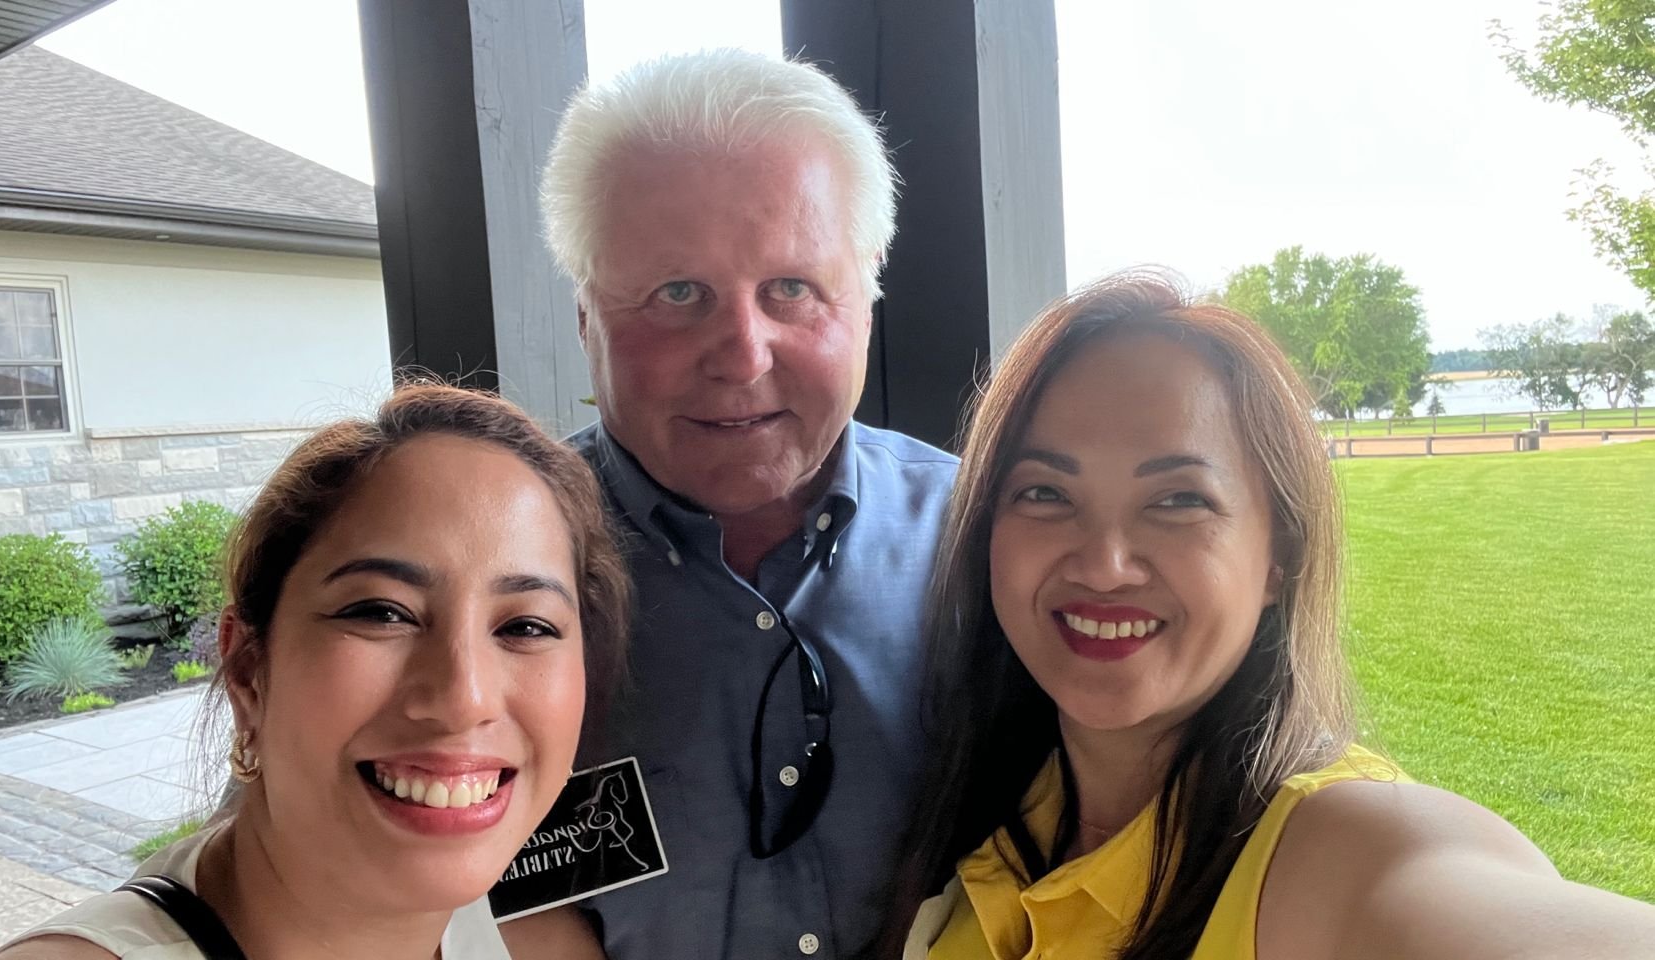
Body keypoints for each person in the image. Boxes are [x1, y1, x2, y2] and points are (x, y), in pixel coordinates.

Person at [892, 275, 1655, 959]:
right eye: (1045, 493)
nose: (1104, 564)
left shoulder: (1333, 854)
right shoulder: (989, 812)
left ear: (1277, 557)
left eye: (1178, 500)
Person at [502, 48, 958, 960]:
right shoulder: (490, 566)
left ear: (868, 294)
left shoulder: (985, 540)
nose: (744, 354)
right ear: (586, 315)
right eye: (678, 294)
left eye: (792, 288)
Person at [0, 383, 631, 960]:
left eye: (526, 627)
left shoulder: (539, 938)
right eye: (382, 613)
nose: (464, 698)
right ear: (248, 669)